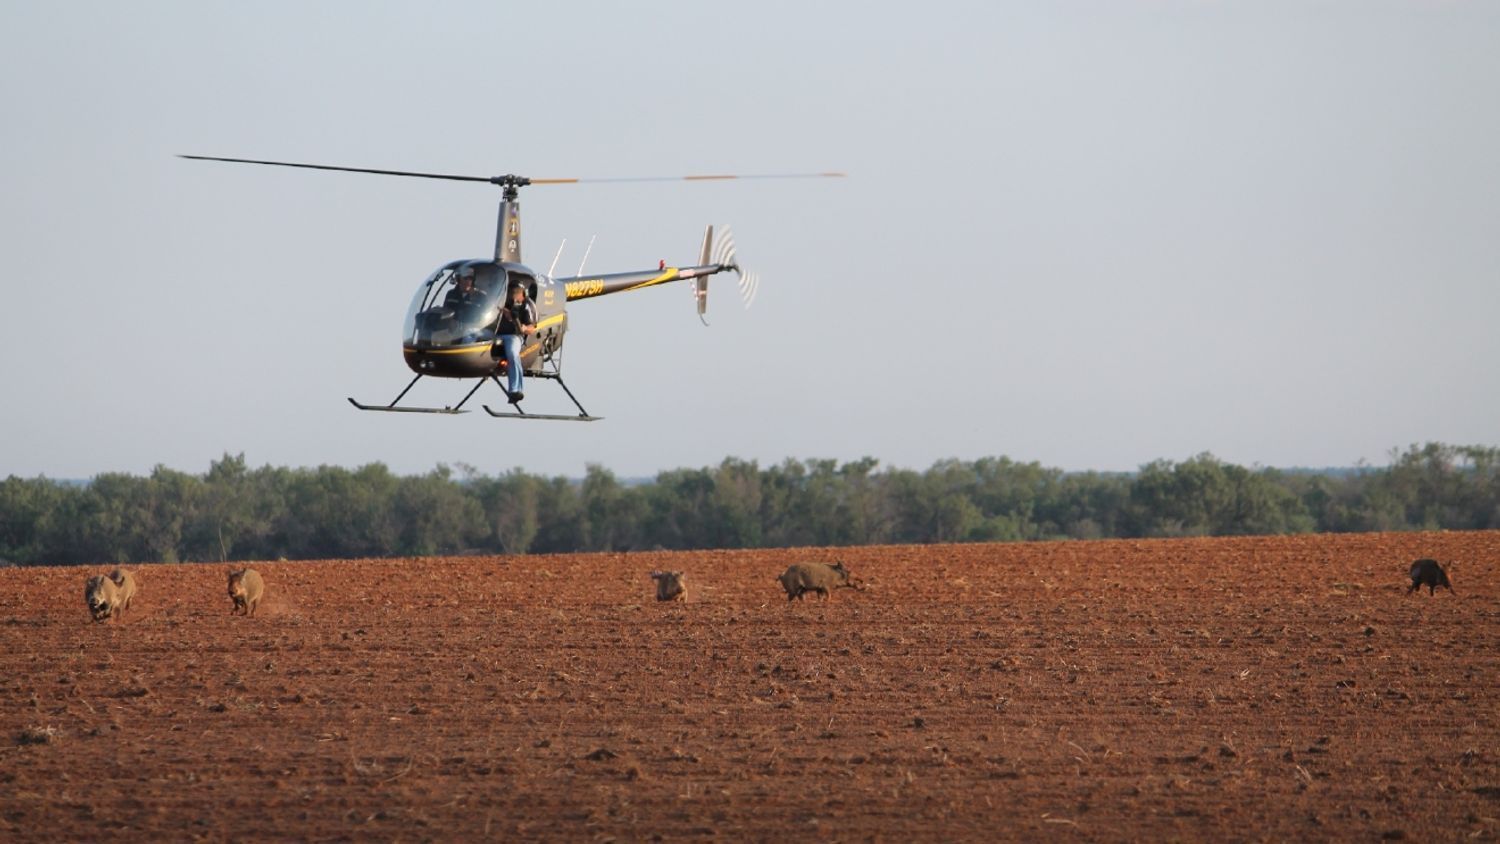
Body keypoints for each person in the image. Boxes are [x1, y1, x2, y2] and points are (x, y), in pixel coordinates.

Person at [496, 281, 537, 402]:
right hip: (495, 334)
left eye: (515, 292)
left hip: (514, 336)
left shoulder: (527, 305)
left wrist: (520, 325)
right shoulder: (502, 301)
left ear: (522, 293)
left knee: (513, 354)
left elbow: (532, 328)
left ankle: (515, 389)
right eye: (511, 292)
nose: (512, 295)